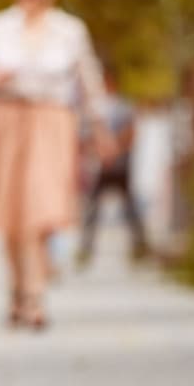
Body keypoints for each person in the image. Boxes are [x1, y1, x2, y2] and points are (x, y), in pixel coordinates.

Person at [0, 0, 117, 329]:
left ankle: (34, 294)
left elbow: (90, 83)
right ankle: (19, 289)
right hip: (5, 119)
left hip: (51, 121)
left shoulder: (69, 30)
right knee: (10, 216)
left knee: (40, 208)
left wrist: (101, 130)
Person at [77, 63, 150, 265]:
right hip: (100, 166)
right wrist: (99, 152)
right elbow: (87, 137)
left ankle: (139, 246)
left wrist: (114, 149)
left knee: (130, 208)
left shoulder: (123, 106)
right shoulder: (94, 108)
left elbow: (131, 132)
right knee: (92, 209)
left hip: (121, 165)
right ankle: (86, 249)